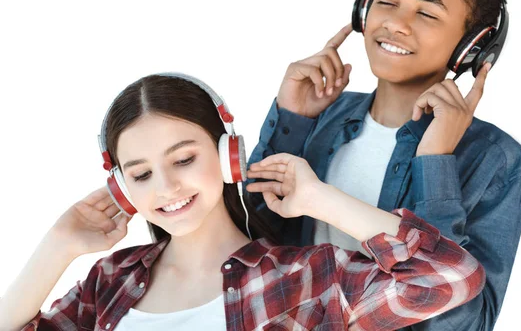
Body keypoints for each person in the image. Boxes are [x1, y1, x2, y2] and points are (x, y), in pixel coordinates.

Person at [0, 73, 485, 331]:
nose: (166, 187)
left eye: (184, 159)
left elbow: (448, 279)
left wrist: (318, 198)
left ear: (229, 156)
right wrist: (57, 248)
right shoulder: (109, 283)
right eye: (142, 174)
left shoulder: (303, 280)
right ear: (122, 188)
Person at [247, 0, 521, 331]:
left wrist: (436, 163)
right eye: (387, 1)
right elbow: (242, 247)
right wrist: (291, 119)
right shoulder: (321, 115)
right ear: (363, 10)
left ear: (471, 47)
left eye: (427, 14)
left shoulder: (495, 159)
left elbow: (463, 324)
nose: (396, 24)